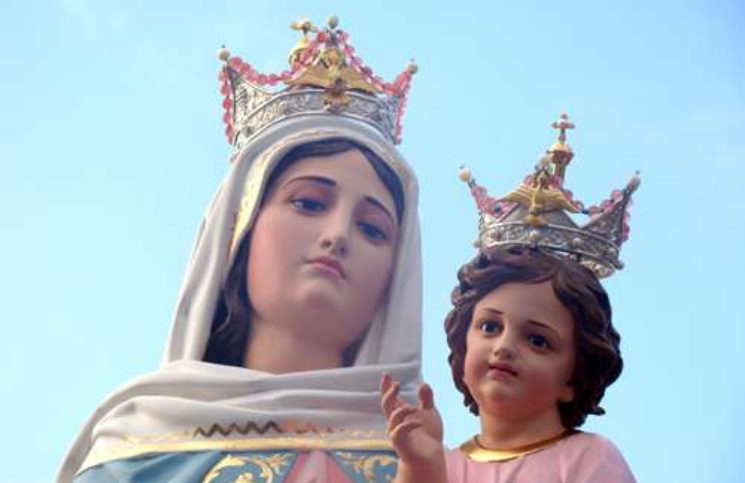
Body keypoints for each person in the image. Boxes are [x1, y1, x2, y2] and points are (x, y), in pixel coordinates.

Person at [59, 17, 422, 483]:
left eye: (372, 229)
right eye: (309, 203)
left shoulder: (423, 460)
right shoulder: (135, 451)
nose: (338, 235)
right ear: (239, 228)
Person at [381, 115, 639, 483]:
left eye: (538, 340)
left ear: (573, 376)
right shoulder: (442, 465)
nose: (504, 347)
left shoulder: (589, 458)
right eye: (489, 327)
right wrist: (420, 470)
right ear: (461, 344)